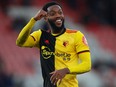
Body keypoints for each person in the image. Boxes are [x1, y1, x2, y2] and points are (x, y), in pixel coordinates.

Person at [16, 1, 91, 87]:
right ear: (46, 18)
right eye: (52, 14)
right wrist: (34, 20)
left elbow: (87, 65)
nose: (58, 15)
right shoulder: (41, 36)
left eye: (60, 13)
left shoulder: (76, 35)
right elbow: (20, 42)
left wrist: (66, 70)